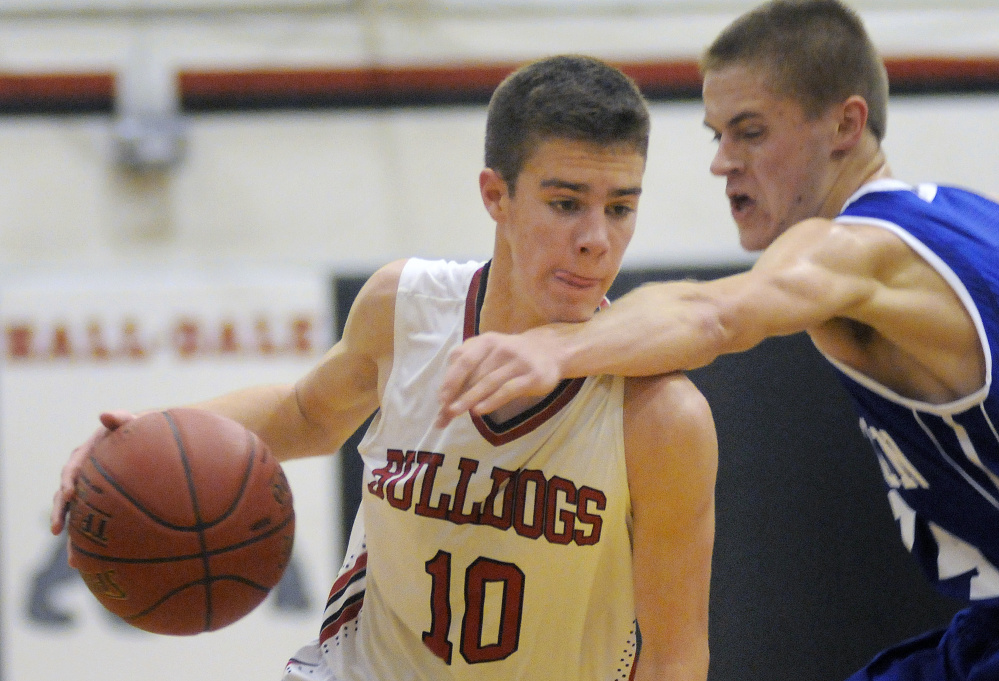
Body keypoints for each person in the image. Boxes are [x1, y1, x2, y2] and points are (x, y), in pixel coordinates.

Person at [50, 55, 718, 681]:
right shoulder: (408, 307)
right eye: (566, 202)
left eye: (620, 208)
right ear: (496, 195)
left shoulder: (660, 416)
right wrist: (146, 436)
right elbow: (305, 415)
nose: (596, 238)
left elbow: (672, 657)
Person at [437, 2, 999, 680]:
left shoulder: (856, 247)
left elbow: (713, 313)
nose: (722, 163)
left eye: (750, 132)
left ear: (846, 125)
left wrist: (551, 348)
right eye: (716, 135)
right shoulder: (964, 215)